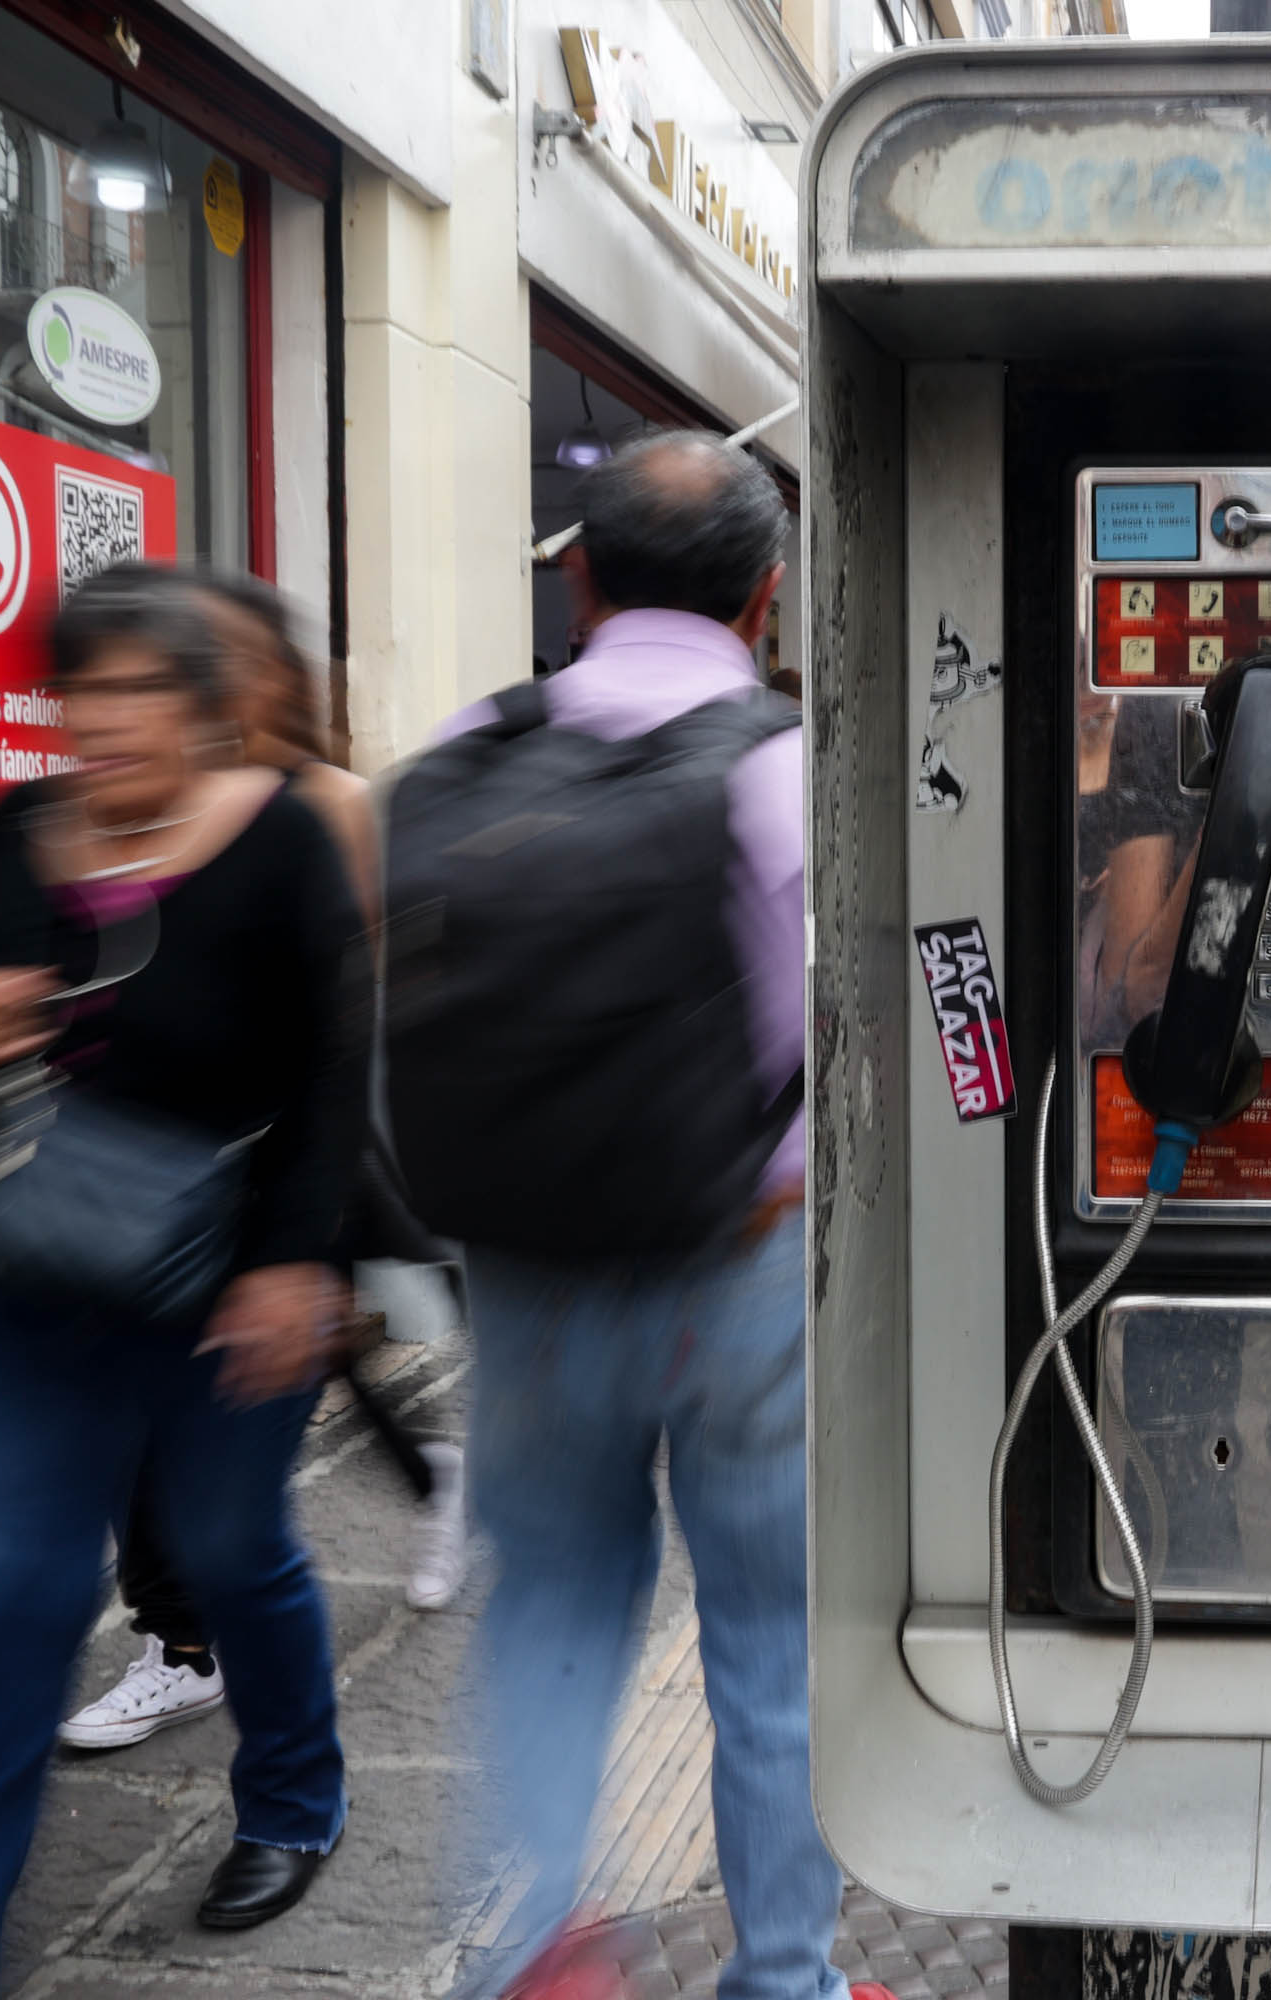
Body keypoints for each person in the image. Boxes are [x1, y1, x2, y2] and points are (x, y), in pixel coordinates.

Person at [0, 564, 363, 1997]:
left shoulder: (281, 843)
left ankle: (292, 1803)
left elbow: (335, 1078)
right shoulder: (21, 829)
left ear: (209, 708)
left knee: (226, 1551)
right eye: (86, 686)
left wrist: (291, 1270)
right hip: (39, 1288)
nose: (111, 716)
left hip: (225, 1293)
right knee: (18, 1600)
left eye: (146, 687)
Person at [418, 433, 831, 2000]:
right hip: (742, 1275)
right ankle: (783, 1978)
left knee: (554, 1608)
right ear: (766, 598)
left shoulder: (471, 742)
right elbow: (881, 1029)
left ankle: (527, 1948)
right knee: (771, 1647)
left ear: (577, 576)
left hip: (522, 1271)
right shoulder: (788, 763)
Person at [55, 574, 469, 1756]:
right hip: (159, 1182)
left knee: (254, 1425)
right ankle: (199, 1634)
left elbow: (371, 979)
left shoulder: (321, 802)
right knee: (217, 1417)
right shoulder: (143, 802)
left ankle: (209, 1649)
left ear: (270, 674)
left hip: (292, 1154)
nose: (193, 680)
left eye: (212, 658)